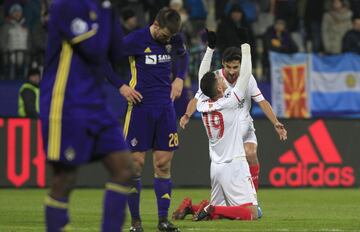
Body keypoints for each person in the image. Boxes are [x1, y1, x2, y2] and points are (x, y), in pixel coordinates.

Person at [40, 0, 142, 231]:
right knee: (64, 179)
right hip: (65, 102)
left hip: (96, 103)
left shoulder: (104, 8)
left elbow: (117, 52)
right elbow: (94, 49)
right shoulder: (66, 5)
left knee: (125, 168)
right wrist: (107, 10)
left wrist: (109, 10)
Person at [180, 34, 287, 196]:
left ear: (240, 65)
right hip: (227, 130)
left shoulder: (247, 79)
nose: (231, 71)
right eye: (228, 67)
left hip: (244, 124)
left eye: (235, 67)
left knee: (250, 153)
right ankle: (229, 199)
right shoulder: (215, 80)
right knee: (231, 168)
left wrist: (276, 122)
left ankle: (253, 195)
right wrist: (187, 115)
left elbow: (262, 101)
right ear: (223, 63)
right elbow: (198, 96)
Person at [122, 7, 189, 232]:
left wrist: (179, 78)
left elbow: (182, 55)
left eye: (171, 36)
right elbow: (104, 62)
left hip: (165, 109)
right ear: (155, 24)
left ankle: (163, 221)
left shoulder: (174, 37)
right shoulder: (134, 40)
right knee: (135, 165)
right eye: (164, 35)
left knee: (163, 164)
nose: (167, 39)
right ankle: (136, 223)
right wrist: (121, 86)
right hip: (139, 109)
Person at [184, 28, 259, 221]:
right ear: (218, 87)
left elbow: (203, 78)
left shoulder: (202, 104)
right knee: (252, 213)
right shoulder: (230, 102)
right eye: (219, 78)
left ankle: (194, 208)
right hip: (234, 164)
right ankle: (210, 209)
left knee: (219, 216)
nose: (221, 76)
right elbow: (246, 73)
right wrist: (245, 46)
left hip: (215, 167)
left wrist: (210, 48)